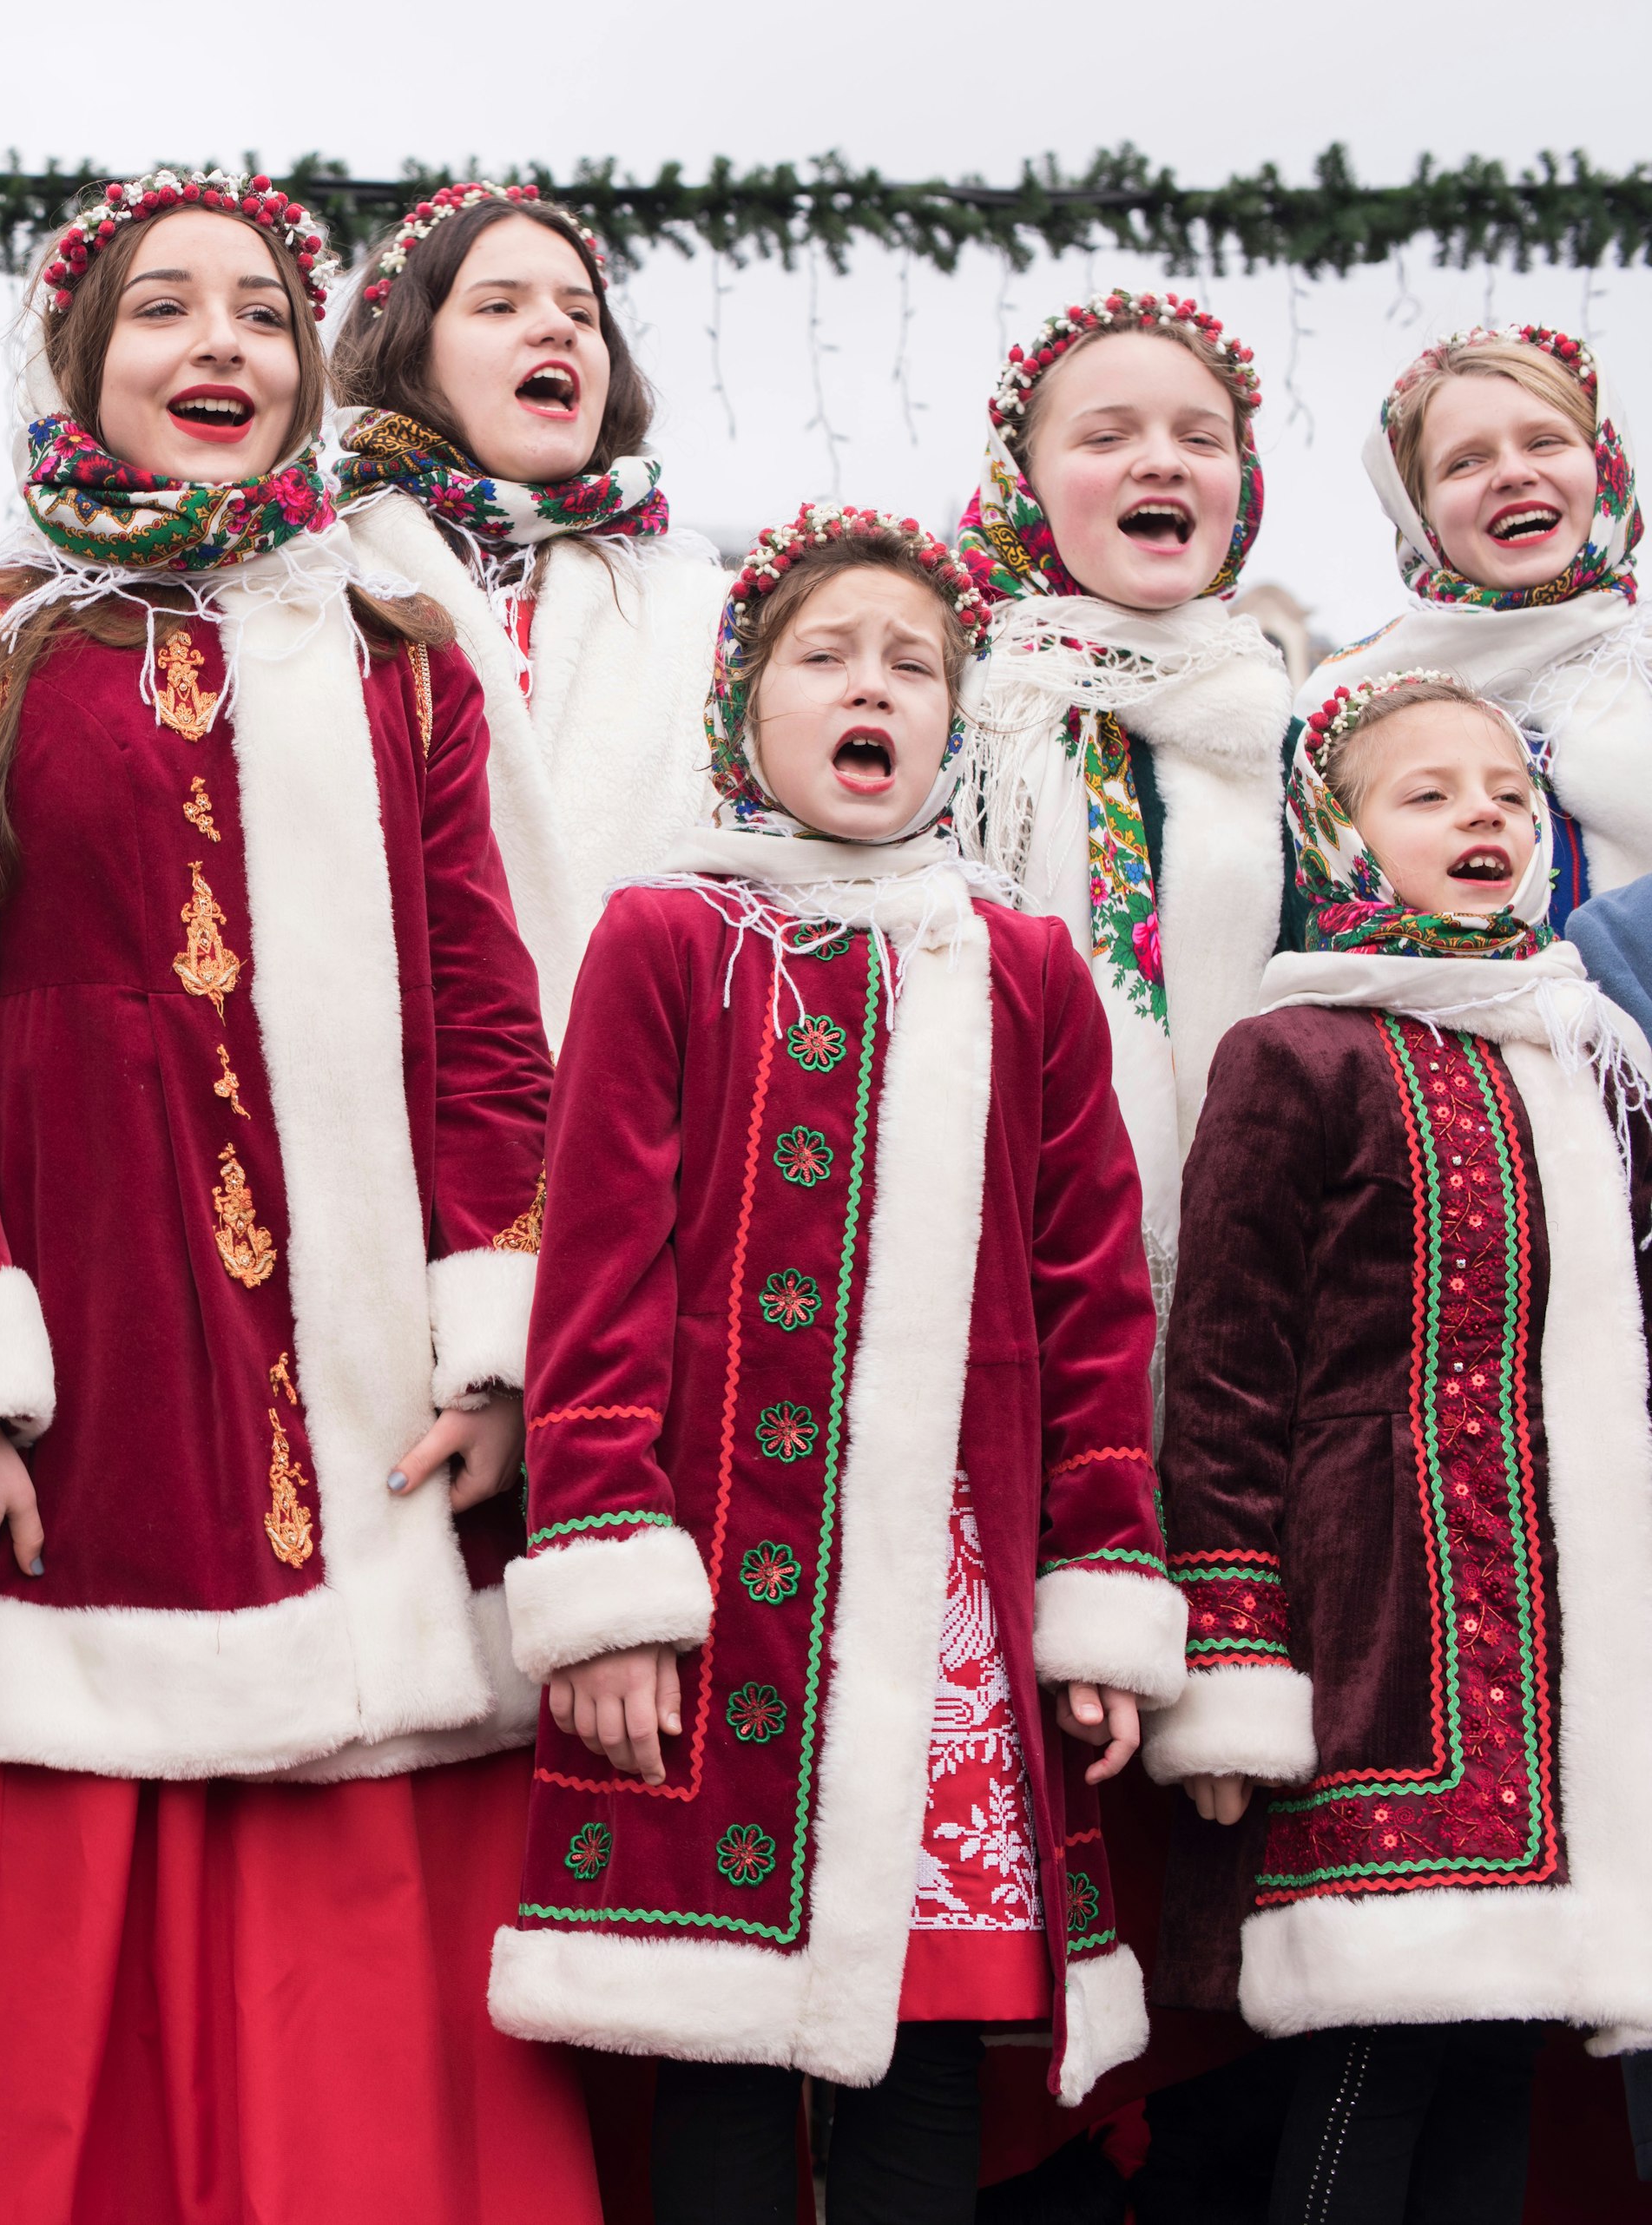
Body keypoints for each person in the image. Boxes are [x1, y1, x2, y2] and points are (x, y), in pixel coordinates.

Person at [0, 168, 595, 2223]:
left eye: (259, 313)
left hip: (366, 1407)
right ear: (82, 363)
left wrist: (501, 1344)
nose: (217, 350)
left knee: (359, 1968)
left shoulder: (393, 652)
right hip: (91, 1384)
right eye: (163, 311)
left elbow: (481, 1019)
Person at [490, 505, 1180, 2222]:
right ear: (745, 711)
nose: (873, 687)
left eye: (914, 665)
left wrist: (1097, 1575)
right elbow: (595, 1275)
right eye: (826, 655)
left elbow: (1093, 1298)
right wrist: (611, 1586)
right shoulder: (670, 934)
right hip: (731, 1588)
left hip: (952, 1604)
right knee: (724, 2045)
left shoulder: (1023, 963)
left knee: (927, 2050)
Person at [1146, 668, 1652, 2222]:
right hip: (1381, 1635)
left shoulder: (1586, 1051)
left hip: (1564, 1658)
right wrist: (1233, 1648)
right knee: (1380, 2047)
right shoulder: (1297, 1046)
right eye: (1426, 795)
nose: (1481, 817)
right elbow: (1224, 1372)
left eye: (1504, 792)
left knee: (1497, 2053)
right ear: (1340, 836)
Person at [953, 292, 1294, 1318]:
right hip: (994, 1247)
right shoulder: (960, 706)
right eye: (1107, 436)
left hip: (1251, 1279)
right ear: (1022, 482)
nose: (1164, 460)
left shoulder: (1289, 738)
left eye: (1202, 437)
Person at [330, 181, 728, 1036]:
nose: (556, 328)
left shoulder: (708, 609)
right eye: (499, 304)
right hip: (410, 1091)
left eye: (582, 314)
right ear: (409, 347)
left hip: (640, 1114)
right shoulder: (312, 578)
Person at [1307, 326, 1646, 926]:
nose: (1513, 473)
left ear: (1605, 465)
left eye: (1545, 441)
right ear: (1419, 513)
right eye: (1466, 461)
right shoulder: (1345, 707)